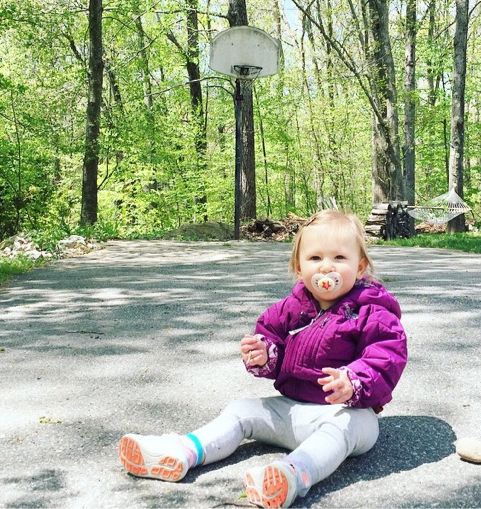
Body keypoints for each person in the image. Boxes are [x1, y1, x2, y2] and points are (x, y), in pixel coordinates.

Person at [118, 210, 407, 508]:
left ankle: (292, 474)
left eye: (339, 258)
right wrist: (264, 354)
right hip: (292, 411)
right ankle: (185, 450)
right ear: (299, 268)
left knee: (348, 426)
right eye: (315, 258)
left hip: (345, 412)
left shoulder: (372, 312)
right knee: (241, 409)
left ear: (359, 267)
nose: (326, 267)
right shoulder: (291, 308)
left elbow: (387, 356)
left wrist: (354, 380)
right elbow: (270, 337)